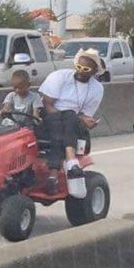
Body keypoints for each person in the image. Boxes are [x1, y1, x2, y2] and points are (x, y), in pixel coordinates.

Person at [38, 48, 105, 194]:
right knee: (68, 116)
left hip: (72, 124)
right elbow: (47, 104)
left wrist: (87, 122)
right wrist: (72, 117)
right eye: (79, 67)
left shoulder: (96, 89)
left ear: (94, 71)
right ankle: (71, 161)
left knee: (69, 119)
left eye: (86, 69)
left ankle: (53, 176)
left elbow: (86, 116)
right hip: (49, 116)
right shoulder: (60, 77)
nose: (81, 71)